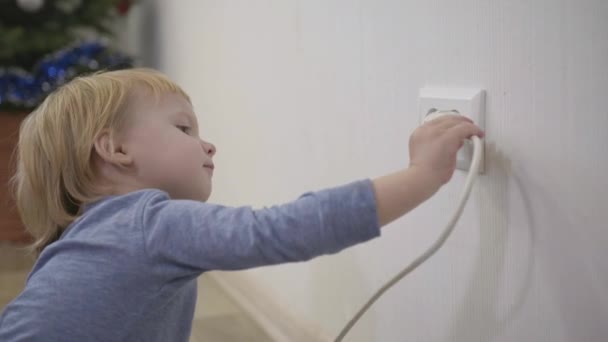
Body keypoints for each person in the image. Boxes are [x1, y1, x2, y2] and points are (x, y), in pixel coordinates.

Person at [0, 68, 484, 341]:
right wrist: (422, 176)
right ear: (116, 150)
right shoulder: (147, 223)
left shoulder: (90, 237)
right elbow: (282, 229)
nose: (208, 145)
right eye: (184, 128)